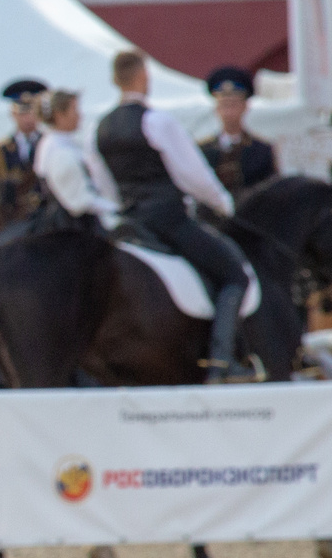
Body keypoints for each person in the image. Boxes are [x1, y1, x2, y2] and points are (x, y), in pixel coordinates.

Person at [96, 48, 248, 381]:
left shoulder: (101, 128)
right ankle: (223, 361)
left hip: (129, 223)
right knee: (234, 274)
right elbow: (191, 174)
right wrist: (222, 202)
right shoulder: (157, 121)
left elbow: (104, 185)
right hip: (167, 220)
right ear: (143, 77)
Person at [34, 88, 118, 226]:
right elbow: (80, 202)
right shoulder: (57, 150)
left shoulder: (59, 143)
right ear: (59, 115)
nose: (80, 115)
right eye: (74, 109)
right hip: (73, 226)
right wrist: (115, 209)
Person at [199, 66, 277, 201]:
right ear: (216, 108)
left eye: (233, 104)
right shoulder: (203, 149)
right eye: (224, 104)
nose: (229, 111)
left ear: (245, 106)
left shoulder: (261, 149)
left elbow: (270, 192)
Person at [0, 79, 49, 233]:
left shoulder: (49, 145)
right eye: (23, 112)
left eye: (31, 111)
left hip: (44, 227)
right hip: (10, 228)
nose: (28, 118)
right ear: (13, 113)